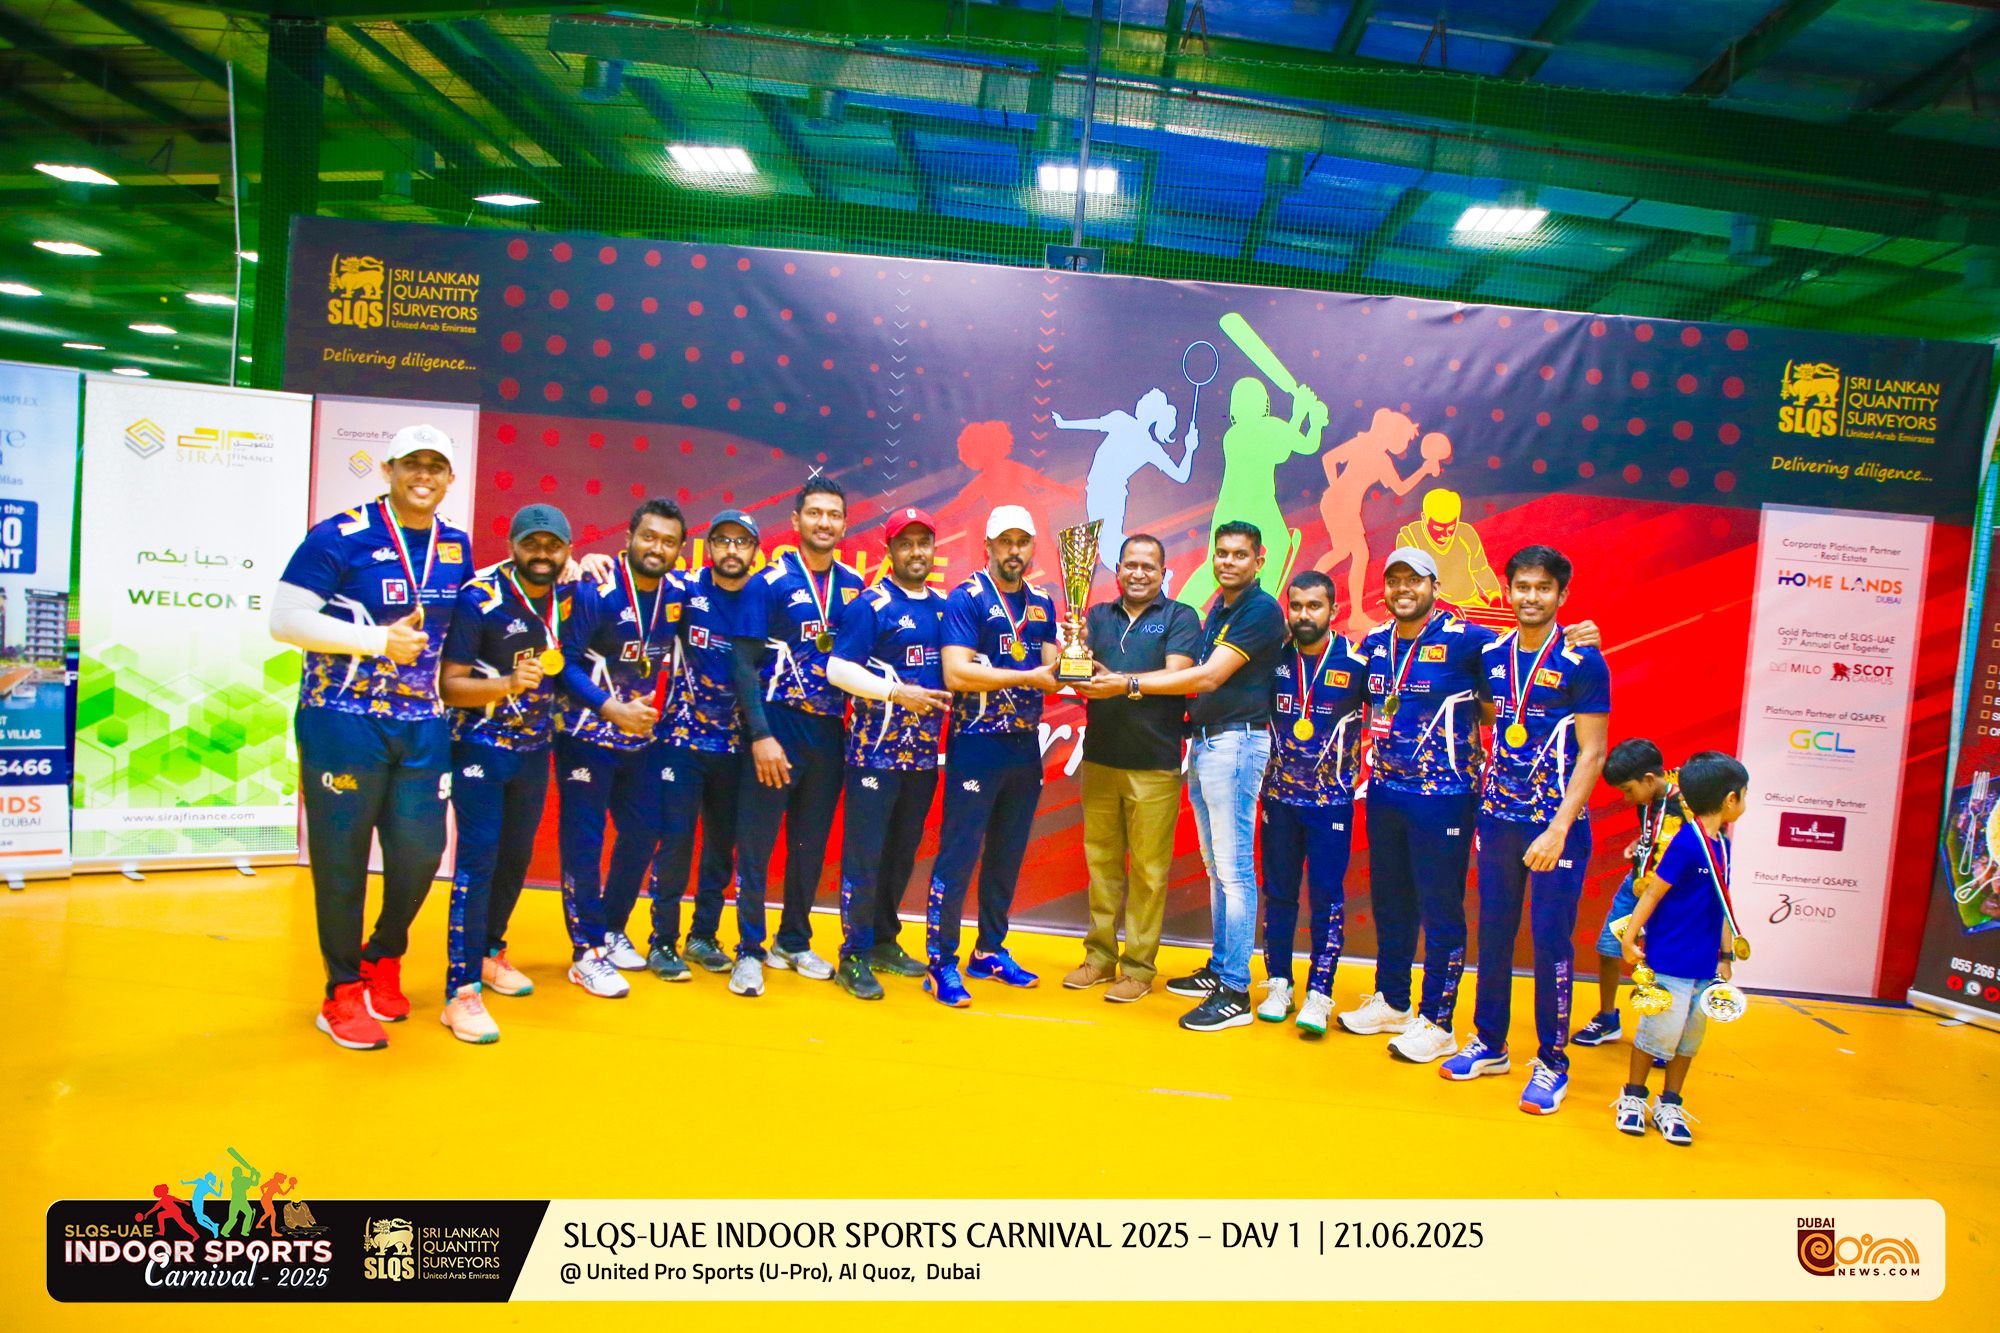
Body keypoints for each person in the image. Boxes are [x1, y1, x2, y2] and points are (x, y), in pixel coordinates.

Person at [1340, 548, 1600, 1062]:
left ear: (1436, 587)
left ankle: (1438, 1021)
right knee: (1390, 902)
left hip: (1446, 798)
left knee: (1441, 910)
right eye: (1394, 580)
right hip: (1386, 792)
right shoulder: (1374, 643)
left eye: (1415, 579)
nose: (1403, 589)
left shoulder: (1470, 641)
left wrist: (1581, 635)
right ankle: (1393, 1000)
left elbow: (1532, 656)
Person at [271, 423, 474, 1051]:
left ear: (450, 478)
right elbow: (284, 620)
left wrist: (574, 566)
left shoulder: (456, 545)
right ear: (388, 471)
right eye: (411, 464)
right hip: (342, 718)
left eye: (435, 466)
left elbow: (479, 609)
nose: (423, 475)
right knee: (342, 859)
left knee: (419, 855)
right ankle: (340, 993)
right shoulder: (340, 534)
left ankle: (382, 955)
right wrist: (376, 640)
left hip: (423, 723)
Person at [1443, 546, 1610, 1115]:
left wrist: (1559, 828)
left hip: (1554, 827)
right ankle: (1490, 1043)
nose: (1531, 597)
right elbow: (1493, 710)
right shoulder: (1492, 654)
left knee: (1549, 941)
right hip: (1498, 820)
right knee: (1493, 933)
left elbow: (1593, 753)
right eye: (1522, 587)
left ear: (1562, 595)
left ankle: (1552, 1063)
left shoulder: (1584, 661)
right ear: (1508, 590)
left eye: (1543, 588)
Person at [1112, 521, 1287, 1032]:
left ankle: (1235, 990)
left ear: (1259, 560)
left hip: (1237, 743)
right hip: (1209, 743)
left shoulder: (1260, 609)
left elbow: (1209, 676)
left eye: (1239, 554)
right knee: (1217, 867)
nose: (1228, 561)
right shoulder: (1221, 608)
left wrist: (1129, 684)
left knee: (1234, 871)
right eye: (1221, 553)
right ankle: (1220, 968)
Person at [435, 503, 574, 1043]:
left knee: (516, 857)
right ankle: (460, 991)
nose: (542, 554)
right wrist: (509, 684)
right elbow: (450, 686)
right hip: (480, 746)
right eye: (531, 543)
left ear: (566, 550)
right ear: (513, 545)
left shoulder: (569, 593)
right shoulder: (480, 598)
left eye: (553, 545)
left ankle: (490, 953)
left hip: (534, 750)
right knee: (479, 860)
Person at [732, 479, 866, 984]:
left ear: (845, 525)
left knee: (809, 844)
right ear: (796, 520)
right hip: (777, 724)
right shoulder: (768, 582)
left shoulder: (855, 585)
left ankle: (792, 941)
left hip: (829, 730)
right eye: (814, 513)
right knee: (757, 843)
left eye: (833, 514)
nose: (824, 522)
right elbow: (743, 664)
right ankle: (749, 949)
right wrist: (760, 735)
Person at [930, 504, 1062, 1007]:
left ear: (1033, 547)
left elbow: (1054, 671)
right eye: (1005, 541)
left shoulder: (1043, 602)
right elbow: (956, 673)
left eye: (1022, 542)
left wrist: (1079, 664)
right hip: (976, 743)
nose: (1014, 551)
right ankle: (940, 962)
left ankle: (989, 950)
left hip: (1024, 747)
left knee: (1006, 854)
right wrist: (1029, 677)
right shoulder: (967, 598)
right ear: (987, 546)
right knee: (959, 855)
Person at [1066, 534, 1204, 1002]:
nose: (1139, 573)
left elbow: (1177, 677)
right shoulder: (1095, 616)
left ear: (1163, 572)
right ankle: (1099, 957)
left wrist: (1121, 684)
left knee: (1148, 872)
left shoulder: (1180, 616)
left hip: (1154, 763)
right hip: (1100, 759)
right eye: (1131, 565)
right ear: (1118, 569)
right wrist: (1071, 655)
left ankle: (1139, 967)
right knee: (1102, 866)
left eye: (1149, 566)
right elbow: (1078, 674)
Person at [553, 499, 681, 998]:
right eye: (649, 537)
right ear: (628, 538)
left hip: (640, 739)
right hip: (585, 735)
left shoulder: (677, 593)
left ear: (679, 549)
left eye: (668, 541)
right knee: (584, 844)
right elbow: (563, 664)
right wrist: (611, 708)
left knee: (645, 830)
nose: (657, 548)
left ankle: (609, 928)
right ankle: (585, 953)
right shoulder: (596, 587)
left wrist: (630, 718)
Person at [825, 508, 954, 999]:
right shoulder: (870, 605)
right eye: (906, 543)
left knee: (900, 855)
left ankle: (883, 940)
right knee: (864, 856)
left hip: (922, 759)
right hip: (873, 757)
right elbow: (838, 669)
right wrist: (897, 693)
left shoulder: (944, 606)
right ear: (890, 551)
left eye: (924, 542)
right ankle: (853, 955)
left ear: (934, 549)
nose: (916, 552)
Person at [1613, 749, 1748, 1146]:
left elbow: (1721, 903)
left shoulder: (1721, 844)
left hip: (1705, 965)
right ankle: (1633, 1097)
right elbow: (1653, 893)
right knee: (1658, 1031)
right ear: (1730, 799)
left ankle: (1670, 1103)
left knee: (1689, 1038)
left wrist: (1725, 957)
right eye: (1744, 794)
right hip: (1669, 959)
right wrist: (1629, 937)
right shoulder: (1688, 842)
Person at [652, 509, 762, 996]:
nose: (732, 550)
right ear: (708, 547)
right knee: (676, 842)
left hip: (737, 747)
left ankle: (703, 936)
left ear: (755, 550)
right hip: (682, 741)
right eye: (723, 541)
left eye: (742, 542)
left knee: (721, 846)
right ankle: (662, 941)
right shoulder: (684, 589)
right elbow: (636, 584)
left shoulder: (762, 598)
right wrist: (591, 563)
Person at [1257, 570, 1369, 1034]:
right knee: (1279, 893)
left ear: (1333, 610)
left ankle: (1320, 992)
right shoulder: (1273, 658)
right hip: (1278, 800)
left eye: (1314, 606)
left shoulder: (1358, 663)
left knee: (1326, 896)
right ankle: (1278, 983)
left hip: (1332, 804)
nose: (1304, 615)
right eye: (1297, 606)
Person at [1177, 378, 1326, 609]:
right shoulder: (1243, 433)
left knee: (1274, 546)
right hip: (1244, 504)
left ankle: (1257, 603)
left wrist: (1313, 421)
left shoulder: (1243, 432)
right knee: (1227, 557)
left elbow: (1298, 446)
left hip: (1251, 503)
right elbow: (1284, 451)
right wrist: (1301, 415)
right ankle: (1188, 606)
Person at [1575, 740, 1682, 1048]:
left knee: (1663, 963)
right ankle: (1608, 1018)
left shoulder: (1688, 804)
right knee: (1609, 948)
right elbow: (1657, 831)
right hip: (1634, 885)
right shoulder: (1647, 797)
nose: (1626, 798)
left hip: (1670, 896)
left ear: (1649, 778)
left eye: (1627, 790)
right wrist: (1641, 843)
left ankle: (1665, 1036)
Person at [1314, 408, 1440, 635]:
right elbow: (1328, 459)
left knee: (1344, 552)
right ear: (1392, 434)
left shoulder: (1382, 459)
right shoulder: (1364, 445)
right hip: (1338, 505)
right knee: (1358, 554)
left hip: (1342, 505)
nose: (1405, 445)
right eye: (1404, 439)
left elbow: (1400, 488)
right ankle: (1350, 613)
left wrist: (1423, 470)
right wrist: (1337, 489)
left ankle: (1309, 592)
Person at [1053, 390, 1199, 570]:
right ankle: (1148, 568)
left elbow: (1181, 475)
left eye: (1145, 400)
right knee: (1107, 545)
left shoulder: (1138, 435)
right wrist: (1064, 424)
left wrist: (1190, 449)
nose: (1140, 401)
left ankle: (1150, 569)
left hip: (1111, 494)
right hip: (1097, 491)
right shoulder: (1123, 422)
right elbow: (1094, 424)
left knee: (1108, 546)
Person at [1392, 488, 1503, 612]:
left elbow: (1480, 568)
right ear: (1424, 518)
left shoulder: (1466, 534)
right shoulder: (1409, 538)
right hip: (1427, 608)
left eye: (1451, 528)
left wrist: (1494, 594)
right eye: (1438, 528)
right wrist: (1442, 605)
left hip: (1470, 604)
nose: (1446, 535)